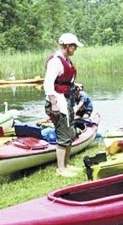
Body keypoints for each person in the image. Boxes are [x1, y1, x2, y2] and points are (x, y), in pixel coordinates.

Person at [43, 32, 84, 178]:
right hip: (58, 102)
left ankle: (67, 164)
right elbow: (48, 84)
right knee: (64, 135)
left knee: (71, 133)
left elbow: (64, 80)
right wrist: (54, 104)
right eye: (74, 46)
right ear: (67, 46)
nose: (75, 49)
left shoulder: (66, 60)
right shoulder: (55, 61)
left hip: (66, 100)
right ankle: (61, 168)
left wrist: (74, 85)